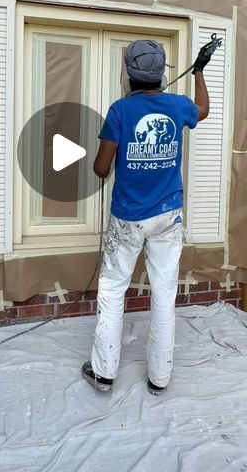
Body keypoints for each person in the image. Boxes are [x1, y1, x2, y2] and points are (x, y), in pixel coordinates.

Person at [82, 39, 210, 395]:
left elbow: (100, 168)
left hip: (128, 218)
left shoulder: (120, 111)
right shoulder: (177, 106)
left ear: (129, 73)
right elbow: (202, 109)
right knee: (164, 295)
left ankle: (104, 374)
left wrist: (115, 154)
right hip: (168, 216)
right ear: (160, 74)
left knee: (112, 292)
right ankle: (159, 379)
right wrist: (199, 71)